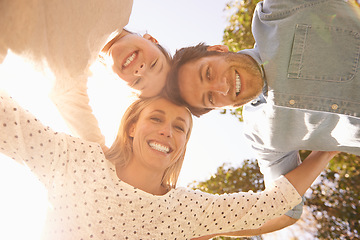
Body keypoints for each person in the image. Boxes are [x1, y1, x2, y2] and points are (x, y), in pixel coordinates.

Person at [0, 89, 337, 239]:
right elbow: (11, 124)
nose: (167, 131)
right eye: (156, 119)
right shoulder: (79, 161)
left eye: (179, 127)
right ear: (132, 126)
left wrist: (330, 147)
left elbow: (271, 204)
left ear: (183, 145)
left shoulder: (187, 209)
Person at [163, 0, 360, 231]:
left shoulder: (276, 12)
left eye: (208, 73)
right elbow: (282, 210)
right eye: (210, 99)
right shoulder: (262, 136)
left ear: (218, 49)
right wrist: (204, 228)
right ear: (218, 108)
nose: (221, 87)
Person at [0, 0, 171, 151]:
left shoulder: (71, 75)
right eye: (154, 64)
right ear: (151, 39)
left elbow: (97, 153)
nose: (140, 70)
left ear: (120, 82)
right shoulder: (121, 4)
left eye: (138, 81)